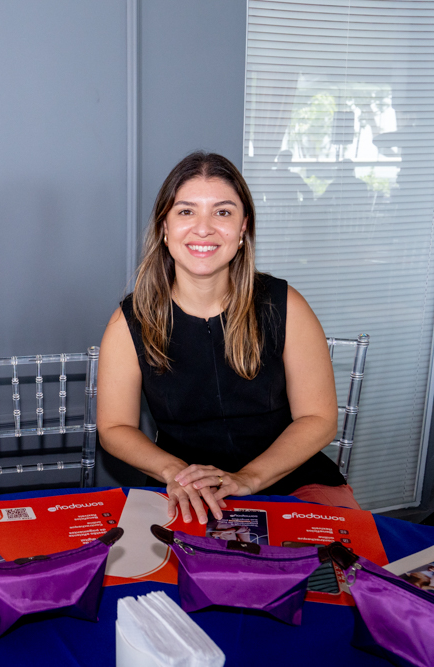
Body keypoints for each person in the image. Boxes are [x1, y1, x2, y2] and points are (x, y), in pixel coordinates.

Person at [98, 151, 358, 525]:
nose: (203, 228)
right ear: (164, 227)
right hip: (186, 491)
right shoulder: (129, 321)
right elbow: (114, 428)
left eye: (222, 212)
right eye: (186, 211)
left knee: (338, 578)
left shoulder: (286, 304)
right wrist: (175, 473)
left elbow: (318, 418)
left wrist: (247, 479)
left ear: (242, 229)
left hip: (294, 482)